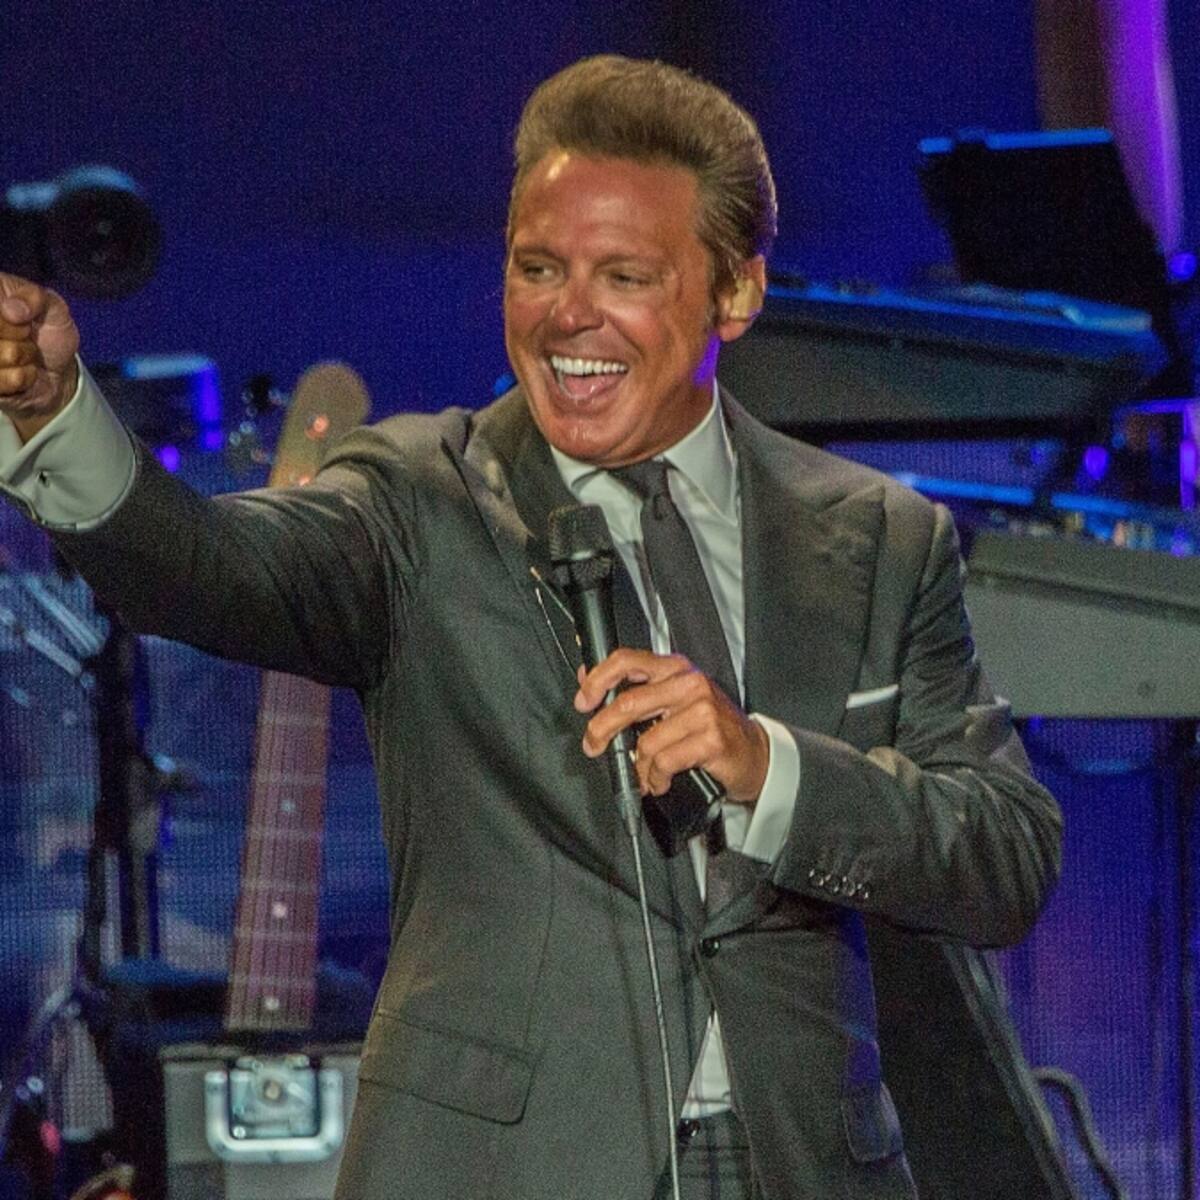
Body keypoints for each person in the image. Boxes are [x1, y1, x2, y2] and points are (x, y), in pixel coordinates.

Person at [0, 55, 1061, 1200]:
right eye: (537, 267)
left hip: (797, 1163)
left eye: (625, 276)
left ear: (736, 293)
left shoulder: (877, 535)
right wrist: (57, 418)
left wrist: (769, 767)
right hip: (508, 1167)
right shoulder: (418, 500)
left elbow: (1003, 853)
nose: (567, 315)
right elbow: (201, 567)